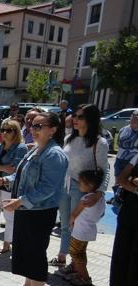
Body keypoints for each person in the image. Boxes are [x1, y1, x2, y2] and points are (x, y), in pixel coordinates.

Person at [1, 112, 69, 286]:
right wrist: (5, 180)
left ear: (53, 130)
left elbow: (48, 188)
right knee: (26, 251)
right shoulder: (38, 149)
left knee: (36, 253)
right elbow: (22, 176)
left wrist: (21, 201)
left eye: (39, 126)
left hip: (39, 211)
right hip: (27, 209)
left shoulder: (54, 154)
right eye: (32, 125)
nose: (33, 129)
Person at [50, 104, 109, 268]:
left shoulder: (100, 143)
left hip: (82, 188)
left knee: (77, 225)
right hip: (65, 185)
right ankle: (62, 256)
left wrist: (99, 192)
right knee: (65, 222)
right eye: (75, 116)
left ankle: (76, 264)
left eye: (80, 117)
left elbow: (104, 170)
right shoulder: (69, 137)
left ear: (91, 119)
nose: (74, 119)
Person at [55, 169, 105, 286]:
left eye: (81, 183)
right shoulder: (100, 198)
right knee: (81, 253)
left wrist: (70, 223)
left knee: (76, 254)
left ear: (90, 185)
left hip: (79, 232)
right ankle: (79, 272)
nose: (78, 184)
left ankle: (84, 277)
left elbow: (73, 215)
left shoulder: (85, 199)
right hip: (89, 231)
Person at [0, 119, 27, 253]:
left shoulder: (21, 148)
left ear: (16, 132)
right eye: (2, 129)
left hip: (10, 185)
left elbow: (15, 170)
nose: (4, 132)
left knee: (9, 216)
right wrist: (2, 167)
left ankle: (7, 244)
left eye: (8, 130)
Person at [110, 154, 138, 286]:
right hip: (130, 211)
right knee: (125, 251)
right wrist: (134, 187)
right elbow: (121, 178)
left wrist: (133, 181)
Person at [113, 110, 138, 185]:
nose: (134, 119)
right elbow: (118, 143)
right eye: (134, 117)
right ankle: (116, 195)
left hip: (131, 163)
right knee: (117, 183)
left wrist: (131, 164)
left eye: (136, 118)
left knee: (125, 183)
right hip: (119, 160)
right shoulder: (123, 129)